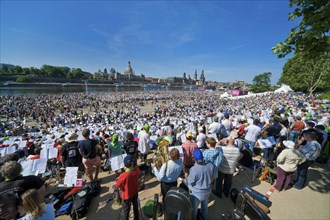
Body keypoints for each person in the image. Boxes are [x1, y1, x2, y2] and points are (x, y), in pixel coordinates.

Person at [188, 149, 215, 220]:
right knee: (205, 206)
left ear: (194, 158)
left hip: (196, 194)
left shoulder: (193, 169)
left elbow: (190, 182)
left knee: (194, 209)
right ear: (202, 157)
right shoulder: (210, 165)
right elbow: (213, 177)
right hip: (207, 191)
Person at [115, 155, 141, 220]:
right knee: (135, 207)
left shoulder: (123, 175)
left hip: (126, 195)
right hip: (135, 192)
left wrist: (119, 178)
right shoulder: (136, 170)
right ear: (132, 163)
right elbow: (136, 171)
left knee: (125, 211)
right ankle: (136, 218)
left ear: (124, 165)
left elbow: (118, 185)